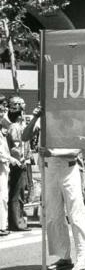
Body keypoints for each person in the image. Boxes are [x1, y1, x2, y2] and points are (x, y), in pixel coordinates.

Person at [22, 106, 85, 270]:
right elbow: (25, 136)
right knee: (54, 216)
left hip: (68, 170)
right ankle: (64, 257)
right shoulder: (42, 119)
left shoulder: (73, 121)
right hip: (49, 170)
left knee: (76, 214)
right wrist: (34, 117)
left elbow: (77, 149)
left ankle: (83, 258)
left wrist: (53, 152)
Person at [6, 96, 31, 231]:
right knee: (18, 193)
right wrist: (22, 159)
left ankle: (16, 220)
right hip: (17, 164)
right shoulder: (15, 127)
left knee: (18, 193)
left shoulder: (15, 126)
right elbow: (16, 147)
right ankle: (17, 222)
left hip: (18, 163)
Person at [0, 102, 20, 236]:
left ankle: (3, 224)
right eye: (1, 111)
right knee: (2, 196)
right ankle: (2, 226)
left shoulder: (3, 128)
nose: (3, 114)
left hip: (4, 165)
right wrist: (11, 159)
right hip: (2, 165)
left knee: (4, 195)